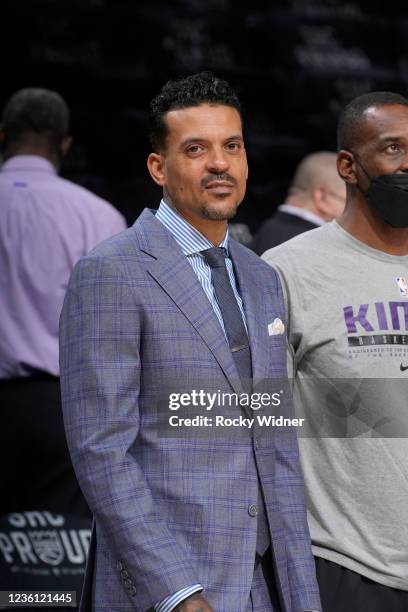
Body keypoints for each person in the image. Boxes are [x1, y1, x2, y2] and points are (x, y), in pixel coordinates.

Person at [59, 72, 321, 612]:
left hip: (267, 584)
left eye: (233, 146)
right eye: (196, 149)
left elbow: (276, 445)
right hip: (171, 589)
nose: (220, 164)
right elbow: (102, 451)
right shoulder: (110, 271)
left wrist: (299, 591)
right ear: (158, 167)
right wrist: (177, 593)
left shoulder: (262, 276)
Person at [262, 91, 408, 611]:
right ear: (348, 165)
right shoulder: (286, 271)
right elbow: (260, 432)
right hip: (345, 566)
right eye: (393, 149)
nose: (407, 163)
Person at [0, 88, 126, 518]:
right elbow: (113, 329)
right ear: (65, 144)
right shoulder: (96, 215)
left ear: (3, 136)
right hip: (63, 408)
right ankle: (34, 593)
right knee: (53, 559)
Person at [251, 151, 345, 255]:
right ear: (322, 198)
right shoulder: (322, 247)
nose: (352, 209)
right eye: (348, 200)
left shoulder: (262, 231)